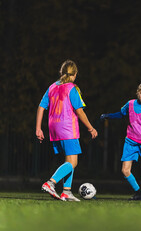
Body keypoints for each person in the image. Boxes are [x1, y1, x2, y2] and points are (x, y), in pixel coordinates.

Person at [36, 60, 98, 201]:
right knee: (73, 163)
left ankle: (66, 191)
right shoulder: (72, 88)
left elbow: (41, 107)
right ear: (75, 74)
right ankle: (51, 182)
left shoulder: (52, 87)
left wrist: (38, 128)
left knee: (69, 160)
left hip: (54, 127)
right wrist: (91, 127)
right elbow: (80, 112)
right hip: (68, 128)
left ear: (61, 72)